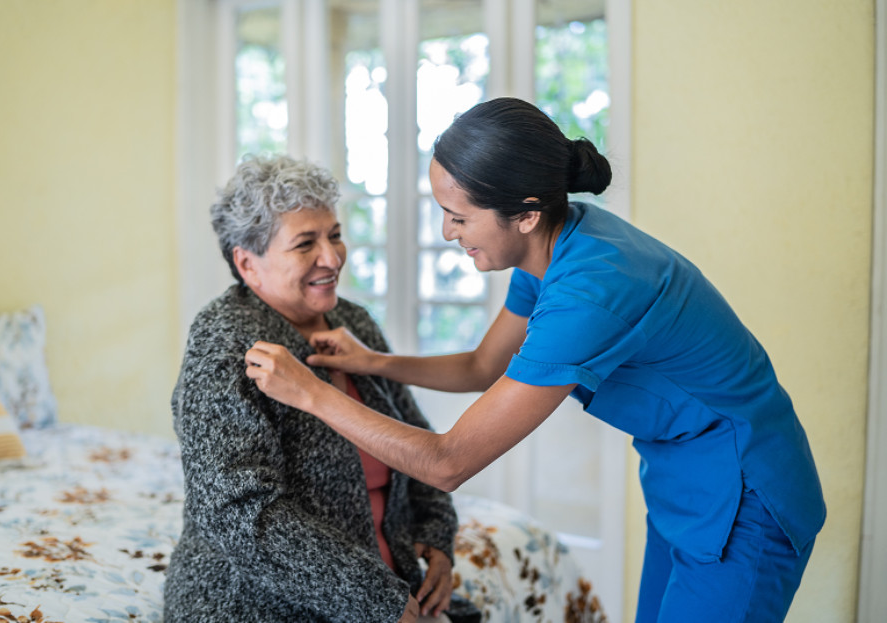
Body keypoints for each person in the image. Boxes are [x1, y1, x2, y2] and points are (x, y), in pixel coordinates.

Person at [244, 97, 826, 623]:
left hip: (745, 493)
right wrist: (373, 362)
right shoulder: (549, 246)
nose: (447, 232)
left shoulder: (592, 289)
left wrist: (311, 393)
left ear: (524, 213)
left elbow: (449, 463)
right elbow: (482, 366)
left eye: (460, 216)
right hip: (684, 483)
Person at [163, 154, 480, 623]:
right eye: (305, 243)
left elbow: (411, 435)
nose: (332, 258)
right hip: (259, 605)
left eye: (334, 235)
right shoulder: (224, 344)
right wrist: (377, 601)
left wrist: (437, 538)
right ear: (248, 264)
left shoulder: (352, 322)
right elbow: (243, 514)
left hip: (386, 590)